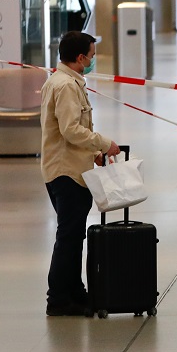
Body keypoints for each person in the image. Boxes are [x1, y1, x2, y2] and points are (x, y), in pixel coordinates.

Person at [40, 31, 120, 316]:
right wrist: (103, 143)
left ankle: (74, 293)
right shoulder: (65, 87)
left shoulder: (67, 82)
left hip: (72, 167)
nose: (93, 60)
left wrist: (94, 155)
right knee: (69, 238)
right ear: (80, 58)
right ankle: (59, 299)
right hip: (66, 173)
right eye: (92, 56)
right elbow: (71, 130)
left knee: (74, 238)